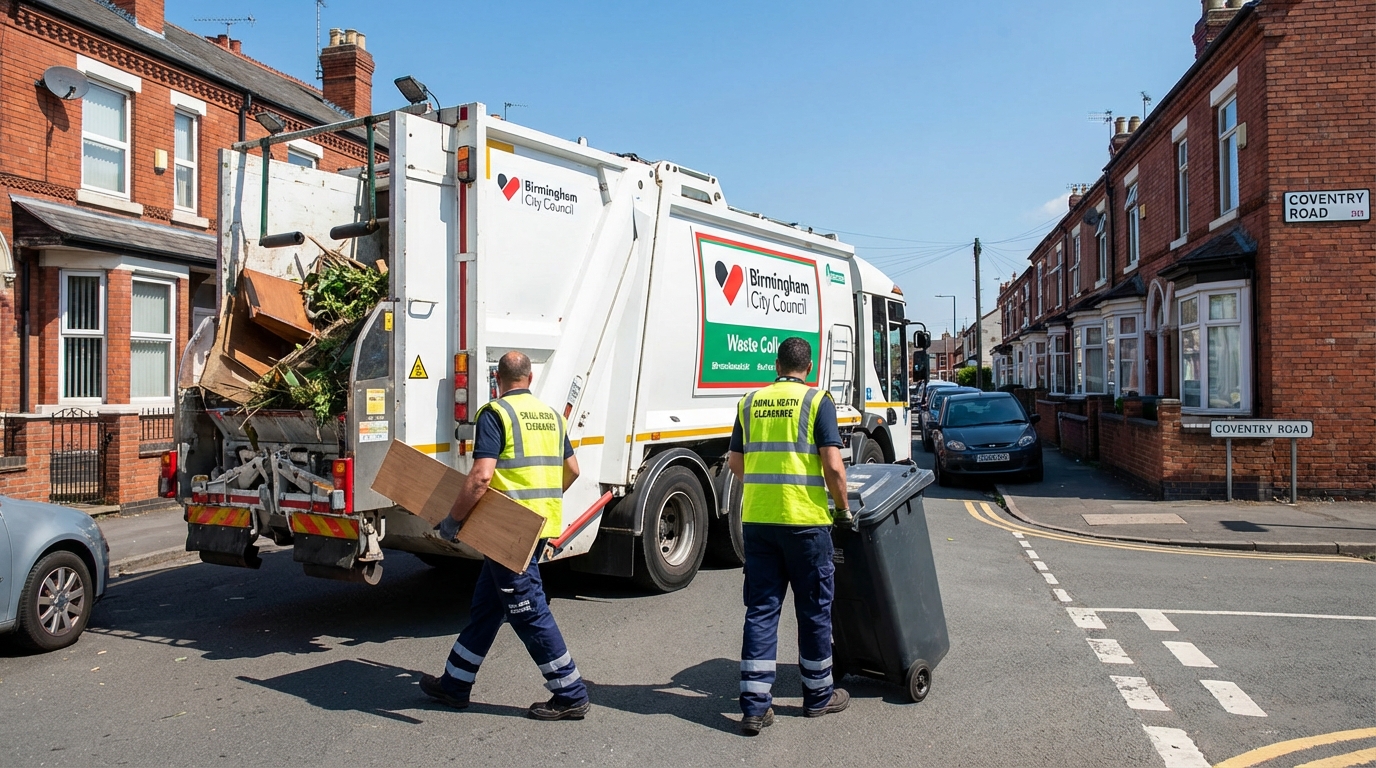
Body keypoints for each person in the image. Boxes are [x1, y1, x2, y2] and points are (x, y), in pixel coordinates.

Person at [420, 351, 590, 721]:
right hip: (539, 526)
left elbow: (482, 476)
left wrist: (453, 520)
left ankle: (571, 693)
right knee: (487, 608)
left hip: (507, 531)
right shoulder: (551, 417)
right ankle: (455, 684)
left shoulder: (495, 413)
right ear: (529, 379)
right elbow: (573, 470)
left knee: (528, 610)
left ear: (498, 379)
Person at [727, 336, 851, 736]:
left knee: (761, 611)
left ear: (775, 364)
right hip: (806, 523)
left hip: (760, 523)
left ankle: (754, 707)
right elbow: (833, 466)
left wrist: (765, 491)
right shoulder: (818, 401)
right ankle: (817, 696)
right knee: (814, 610)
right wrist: (843, 509)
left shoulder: (749, 402)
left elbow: (735, 462)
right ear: (809, 367)